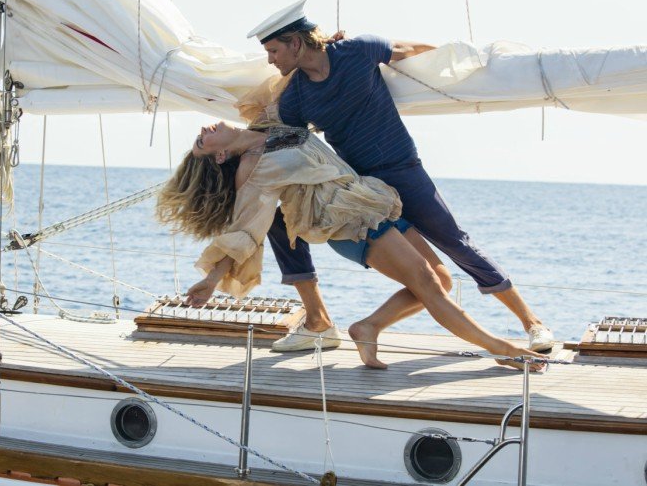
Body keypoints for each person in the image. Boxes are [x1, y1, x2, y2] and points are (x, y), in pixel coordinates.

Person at [243, 0, 554, 353]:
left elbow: (416, 52)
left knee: (455, 243)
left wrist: (468, 62)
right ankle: (329, 322)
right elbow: (290, 144)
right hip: (363, 191)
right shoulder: (295, 98)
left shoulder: (358, 50)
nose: (271, 60)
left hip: (404, 172)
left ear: (297, 43)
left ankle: (532, 323)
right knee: (282, 224)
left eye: (273, 51)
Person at [156, 120, 545, 370]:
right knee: (428, 284)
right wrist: (213, 278)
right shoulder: (251, 169)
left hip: (373, 203)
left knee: (440, 280)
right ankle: (501, 349)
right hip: (349, 225)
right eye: (202, 141)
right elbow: (246, 229)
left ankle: (367, 326)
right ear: (220, 154)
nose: (204, 129)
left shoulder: (269, 121)